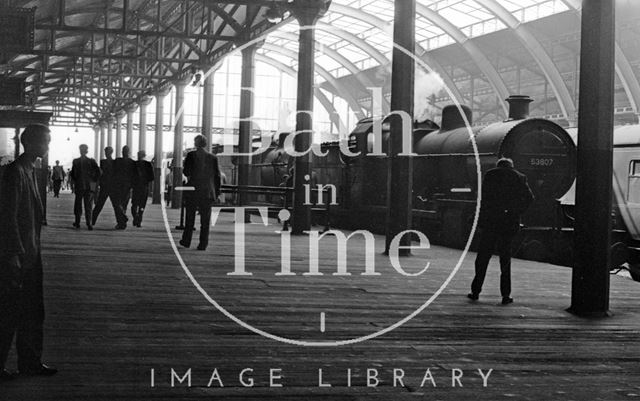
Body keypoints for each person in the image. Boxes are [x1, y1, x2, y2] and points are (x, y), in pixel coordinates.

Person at [0, 124, 57, 380]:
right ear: (32, 143)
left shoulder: (29, 170)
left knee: (34, 310)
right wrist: (13, 253)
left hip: (31, 253)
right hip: (19, 255)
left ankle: (31, 361)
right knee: (9, 312)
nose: (47, 146)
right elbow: (8, 216)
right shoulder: (15, 172)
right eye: (45, 141)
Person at [468, 157, 534, 305]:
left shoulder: (490, 175)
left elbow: (482, 199)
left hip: (490, 223)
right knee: (505, 259)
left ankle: (475, 291)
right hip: (508, 224)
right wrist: (516, 211)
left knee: (483, 258)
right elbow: (530, 198)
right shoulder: (520, 177)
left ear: (498, 165)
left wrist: (481, 217)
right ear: (511, 166)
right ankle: (505, 295)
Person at [179, 135, 221, 251]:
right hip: (207, 192)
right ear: (205, 144)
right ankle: (203, 244)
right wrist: (217, 192)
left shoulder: (191, 155)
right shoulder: (213, 157)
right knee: (205, 220)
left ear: (196, 144)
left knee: (190, 217)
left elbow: (186, 172)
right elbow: (217, 176)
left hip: (193, 191)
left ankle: (186, 241)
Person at [70, 144, 101, 230]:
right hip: (89, 186)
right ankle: (89, 223)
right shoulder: (92, 161)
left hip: (79, 186)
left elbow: (73, 175)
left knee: (78, 205)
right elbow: (98, 173)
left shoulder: (76, 161)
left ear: (80, 151)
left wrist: (74, 184)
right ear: (87, 151)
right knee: (88, 205)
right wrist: (93, 185)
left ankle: (77, 222)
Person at [91, 146, 117, 226]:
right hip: (111, 186)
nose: (106, 154)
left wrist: (96, 186)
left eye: (106, 152)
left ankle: (92, 220)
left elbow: (100, 174)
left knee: (99, 204)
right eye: (106, 152)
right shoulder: (115, 162)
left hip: (104, 186)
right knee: (115, 205)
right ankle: (121, 221)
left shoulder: (103, 162)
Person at [112, 145, 136, 229]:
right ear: (129, 153)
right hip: (127, 186)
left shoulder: (117, 161)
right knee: (124, 204)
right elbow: (134, 175)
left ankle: (121, 221)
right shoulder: (132, 162)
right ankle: (122, 222)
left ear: (122, 152)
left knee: (117, 204)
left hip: (118, 186)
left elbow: (113, 173)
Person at [131, 150, 154, 227]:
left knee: (134, 205)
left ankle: (135, 216)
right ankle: (139, 218)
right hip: (144, 187)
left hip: (136, 188)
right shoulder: (148, 164)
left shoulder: (134, 164)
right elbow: (152, 177)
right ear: (144, 155)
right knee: (142, 205)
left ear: (138, 155)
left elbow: (131, 177)